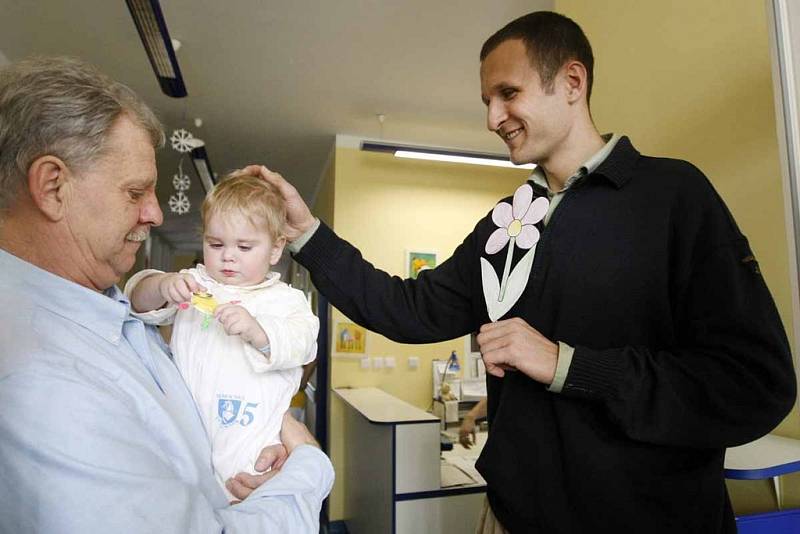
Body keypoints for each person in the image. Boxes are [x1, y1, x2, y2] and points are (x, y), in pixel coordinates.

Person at [249, 10, 796, 533]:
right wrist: (308, 236)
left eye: (508, 94)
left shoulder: (673, 197)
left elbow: (753, 384)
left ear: (573, 81)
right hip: (511, 517)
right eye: (487, 100)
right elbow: (408, 310)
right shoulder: (505, 226)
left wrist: (567, 364)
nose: (492, 118)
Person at [0, 56, 332, 533]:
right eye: (136, 192)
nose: (155, 214)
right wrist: (308, 469)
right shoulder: (37, 379)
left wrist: (257, 461)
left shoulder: (98, 312)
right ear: (53, 187)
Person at [126, 172, 319, 499]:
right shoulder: (194, 285)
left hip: (251, 435)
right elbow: (135, 301)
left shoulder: (284, 300)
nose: (228, 256)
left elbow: (304, 343)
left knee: (245, 502)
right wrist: (161, 286)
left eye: (244, 246)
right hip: (187, 431)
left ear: (275, 249)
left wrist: (260, 332)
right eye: (215, 244)